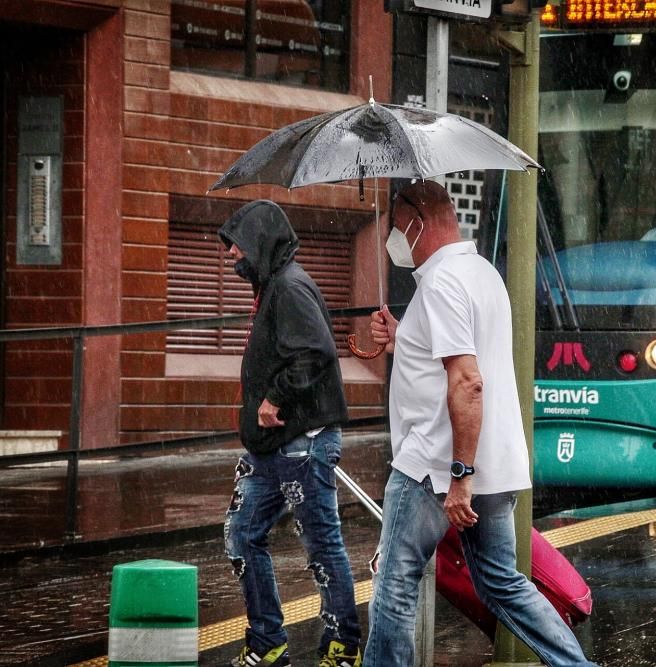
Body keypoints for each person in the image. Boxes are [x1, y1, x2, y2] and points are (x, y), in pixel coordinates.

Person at [363, 181, 595, 667]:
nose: (394, 238)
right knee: (501, 584)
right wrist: (402, 338)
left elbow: (468, 381)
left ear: (417, 221)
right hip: (489, 462)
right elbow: (460, 355)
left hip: (434, 466)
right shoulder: (481, 273)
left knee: (395, 580)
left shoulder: (443, 283)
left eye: (395, 227)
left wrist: (459, 478)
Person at [218, 200, 362, 667]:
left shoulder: (290, 287)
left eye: (236, 245)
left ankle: (342, 648)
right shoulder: (272, 287)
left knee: (322, 547)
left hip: (303, 444)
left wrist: (274, 398)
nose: (231, 255)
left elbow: (315, 353)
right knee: (241, 535)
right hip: (270, 449)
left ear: (258, 241)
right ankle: (267, 641)